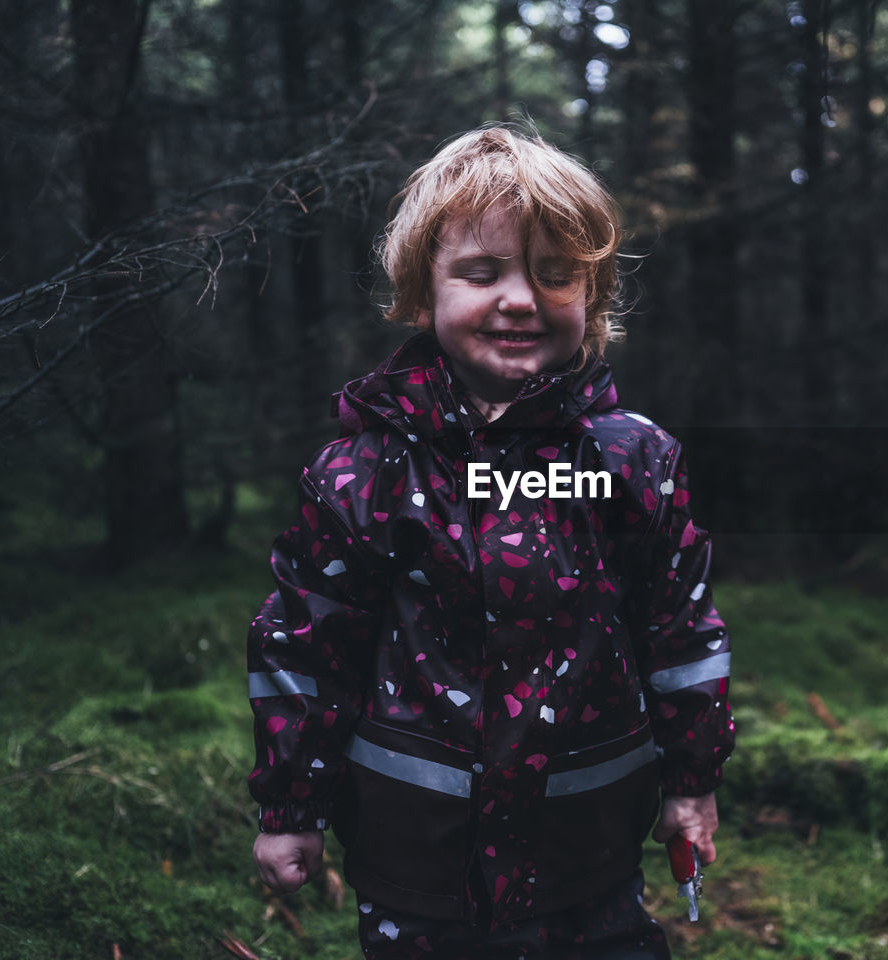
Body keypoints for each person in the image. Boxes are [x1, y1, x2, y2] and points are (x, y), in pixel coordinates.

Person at [246, 125, 734, 960]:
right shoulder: (365, 471)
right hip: (418, 854)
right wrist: (292, 809)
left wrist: (691, 783)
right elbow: (306, 644)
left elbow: (682, 630)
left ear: (594, 296)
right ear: (422, 291)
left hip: (592, 843)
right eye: (483, 272)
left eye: (555, 276)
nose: (521, 299)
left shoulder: (632, 461)